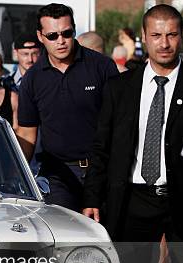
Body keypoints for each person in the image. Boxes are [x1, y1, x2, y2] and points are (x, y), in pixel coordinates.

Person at [82, 4, 183, 263]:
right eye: (157, 35)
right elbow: (102, 147)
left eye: (172, 34)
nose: (165, 43)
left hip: (182, 202)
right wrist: (92, 195)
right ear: (144, 37)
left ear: (181, 36)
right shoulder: (121, 87)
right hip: (134, 201)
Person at [17, 3, 119, 211]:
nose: (61, 41)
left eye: (66, 33)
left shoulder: (102, 67)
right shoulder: (33, 79)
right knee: (65, 237)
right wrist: (16, 175)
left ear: (74, 30)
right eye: (52, 36)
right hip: (57, 175)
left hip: (102, 169)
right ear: (40, 36)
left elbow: (120, 121)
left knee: (107, 237)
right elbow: (27, 133)